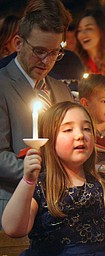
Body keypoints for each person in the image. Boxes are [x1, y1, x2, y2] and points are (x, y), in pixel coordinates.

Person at [2, 101, 105, 255]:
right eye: (68, 129)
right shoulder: (40, 186)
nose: (80, 135)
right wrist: (27, 181)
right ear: (49, 139)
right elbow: (13, 229)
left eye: (86, 128)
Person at [0, 0, 74, 228]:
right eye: (40, 51)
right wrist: (42, 173)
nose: (47, 61)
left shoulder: (60, 90)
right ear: (18, 43)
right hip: (13, 205)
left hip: (60, 207)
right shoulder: (2, 85)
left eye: (54, 53)